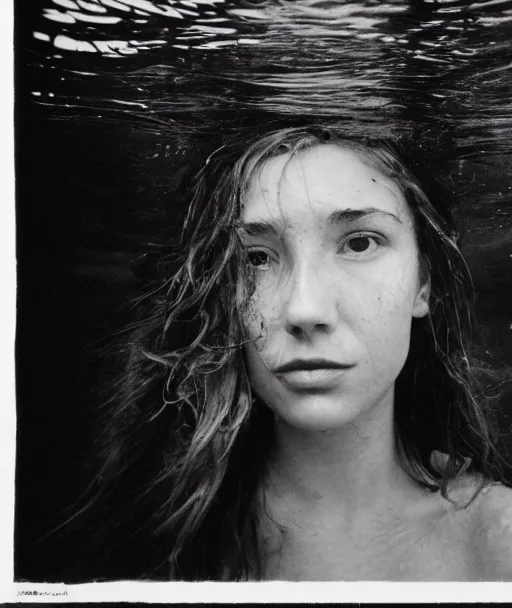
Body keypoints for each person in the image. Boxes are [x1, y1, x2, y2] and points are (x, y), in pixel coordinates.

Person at [79, 123, 512, 581]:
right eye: (256, 258)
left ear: (423, 282)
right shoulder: (153, 535)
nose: (305, 309)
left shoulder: (496, 541)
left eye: (359, 242)